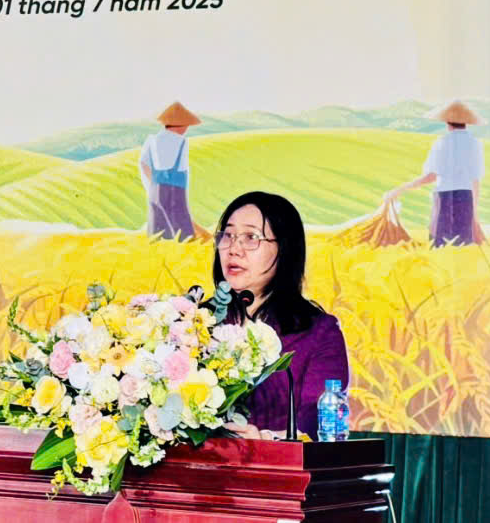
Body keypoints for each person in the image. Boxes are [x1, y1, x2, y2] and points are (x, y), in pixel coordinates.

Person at [212, 191, 349, 440]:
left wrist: (264, 439)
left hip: (270, 463)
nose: (234, 249)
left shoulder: (318, 333)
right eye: (228, 236)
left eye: (251, 237)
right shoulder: (194, 323)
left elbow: (318, 423)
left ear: (284, 249)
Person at [384, 100, 485, 247]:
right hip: (466, 197)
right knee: (463, 245)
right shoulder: (475, 143)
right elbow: (475, 179)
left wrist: (399, 190)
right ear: (466, 122)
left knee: (439, 242)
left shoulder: (442, 142)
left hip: (444, 196)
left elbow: (430, 176)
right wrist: (474, 212)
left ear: (447, 122)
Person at [139, 102, 201, 242]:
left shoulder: (152, 140)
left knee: (157, 230)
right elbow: (183, 169)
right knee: (182, 230)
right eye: (186, 125)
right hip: (175, 189)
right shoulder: (182, 142)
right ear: (180, 126)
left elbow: (143, 164)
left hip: (155, 189)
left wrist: (154, 183)